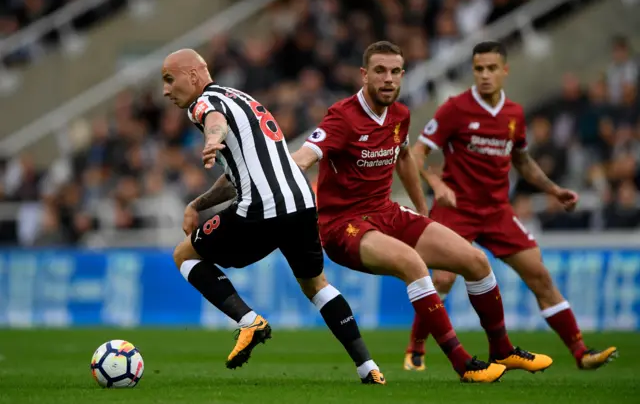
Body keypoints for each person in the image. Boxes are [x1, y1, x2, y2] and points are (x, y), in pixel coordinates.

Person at [291, 40, 552, 383]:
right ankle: (463, 365)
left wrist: (423, 209)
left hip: (386, 213)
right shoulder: (342, 117)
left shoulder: (400, 114)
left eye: (395, 71)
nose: (388, 79)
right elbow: (304, 157)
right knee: (414, 265)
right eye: (380, 71)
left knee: (476, 262)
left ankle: (501, 349)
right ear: (364, 75)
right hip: (343, 226)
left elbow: (404, 158)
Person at [162, 49, 385, 384]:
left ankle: (249, 321)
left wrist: (211, 139)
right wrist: (198, 204)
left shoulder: (203, 102)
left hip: (261, 209)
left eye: (169, 79)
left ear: (194, 75)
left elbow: (214, 121)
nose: (165, 90)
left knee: (184, 255)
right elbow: (237, 173)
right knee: (316, 285)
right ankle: (368, 368)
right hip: (302, 203)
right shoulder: (244, 98)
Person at [407, 40, 618, 371]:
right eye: (479, 69)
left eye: (492, 68)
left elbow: (522, 160)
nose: (485, 75)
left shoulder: (514, 114)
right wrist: (435, 183)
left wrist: (553, 188)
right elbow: (416, 153)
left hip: (497, 211)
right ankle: (416, 348)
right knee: (444, 278)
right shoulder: (455, 108)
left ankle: (581, 352)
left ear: (505, 70)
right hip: (457, 209)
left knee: (540, 276)